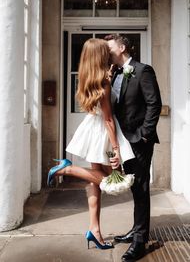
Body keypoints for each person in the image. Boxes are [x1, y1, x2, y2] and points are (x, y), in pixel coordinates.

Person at [47, 38, 135, 250]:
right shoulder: (103, 83)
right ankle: (67, 169)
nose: (108, 54)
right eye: (105, 52)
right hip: (103, 132)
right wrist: (116, 150)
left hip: (93, 130)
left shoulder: (90, 78)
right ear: (99, 56)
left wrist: (110, 73)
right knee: (110, 181)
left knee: (95, 182)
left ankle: (94, 230)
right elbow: (108, 119)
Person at [105, 34, 162, 262]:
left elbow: (154, 103)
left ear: (122, 47)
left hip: (138, 140)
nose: (107, 52)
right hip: (122, 139)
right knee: (134, 188)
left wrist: (145, 135)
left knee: (140, 186)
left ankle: (139, 240)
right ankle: (137, 230)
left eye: (110, 47)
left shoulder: (143, 70)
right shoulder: (116, 72)